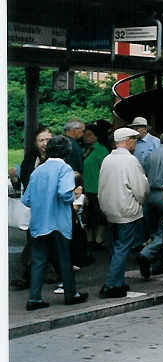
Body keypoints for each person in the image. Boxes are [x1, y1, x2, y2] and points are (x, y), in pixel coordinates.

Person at [21, 135, 88, 310]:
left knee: (38, 260)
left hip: (39, 222)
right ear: (66, 151)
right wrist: (73, 195)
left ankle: (34, 298)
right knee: (64, 259)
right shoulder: (65, 169)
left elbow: (26, 199)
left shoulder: (38, 170)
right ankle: (70, 293)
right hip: (58, 222)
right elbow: (65, 193)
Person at [98, 127, 149, 298]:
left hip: (109, 209)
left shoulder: (107, 159)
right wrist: (142, 203)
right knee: (123, 247)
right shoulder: (130, 161)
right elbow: (141, 189)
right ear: (127, 141)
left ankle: (117, 281)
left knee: (115, 246)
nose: (135, 142)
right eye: (134, 139)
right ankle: (112, 284)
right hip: (127, 209)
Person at [11, 126, 59, 290]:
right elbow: (26, 182)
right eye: (41, 140)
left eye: (48, 140)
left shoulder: (57, 158)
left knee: (43, 239)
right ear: (35, 143)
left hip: (52, 205)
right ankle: (25, 274)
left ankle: (39, 273)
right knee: (36, 240)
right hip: (36, 206)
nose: (45, 143)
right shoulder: (31, 159)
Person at [138, 130, 163, 279]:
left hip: (150, 194)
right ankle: (147, 254)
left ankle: (158, 264)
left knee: (155, 230)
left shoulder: (151, 153)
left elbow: (143, 172)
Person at [82, 123, 109, 248]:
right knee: (88, 216)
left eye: (89, 135)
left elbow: (106, 171)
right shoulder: (84, 150)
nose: (85, 137)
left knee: (98, 215)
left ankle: (98, 239)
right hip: (85, 188)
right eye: (85, 134)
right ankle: (89, 239)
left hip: (97, 189)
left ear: (96, 137)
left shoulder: (101, 150)